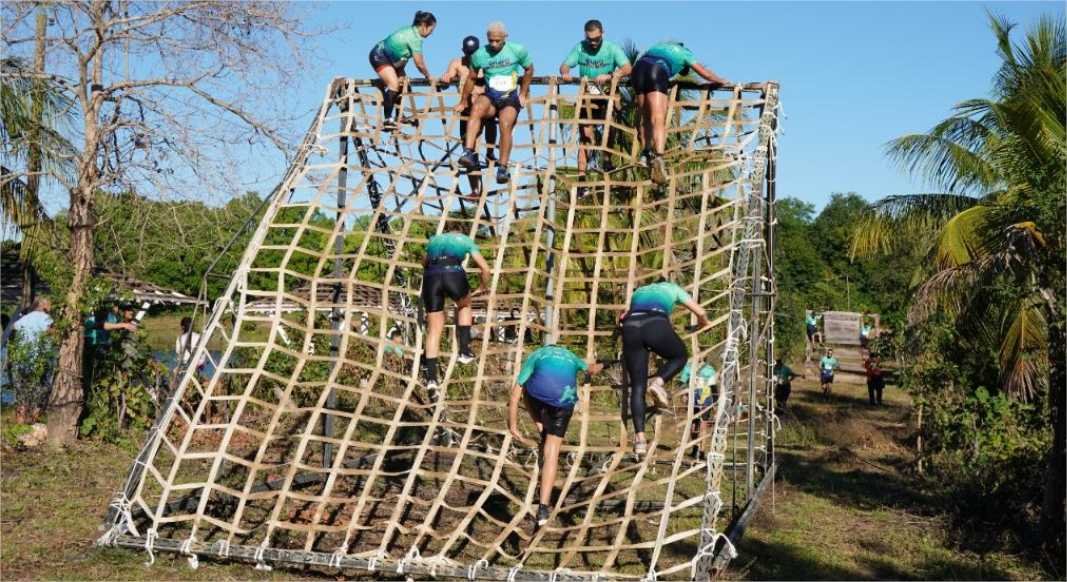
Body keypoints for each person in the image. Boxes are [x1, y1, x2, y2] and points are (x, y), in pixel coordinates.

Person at [508, 343, 603, 528]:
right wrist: (605, 364)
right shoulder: (572, 356)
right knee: (552, 454)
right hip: (564, 401)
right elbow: (592, 369)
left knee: (527, 388)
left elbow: (514, 394)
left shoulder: (537, 354)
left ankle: (540, 424)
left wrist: (512, 425)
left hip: (539, 397)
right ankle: (543, 508)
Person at [619, 279, 711, 457]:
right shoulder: (673, 288)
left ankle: (639, 440)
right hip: (655, 323)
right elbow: (701, 312)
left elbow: (624, 316)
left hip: (631, 328)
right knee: (680, 356)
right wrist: (704, 323)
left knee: (637, 387)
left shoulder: (639, 292)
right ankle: (658, 383)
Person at [630, 41, 730, 185]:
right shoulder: (685, 53)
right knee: (657, 118)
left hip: (638, 69)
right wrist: (721, 81)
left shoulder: (658, 46)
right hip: (657, 69)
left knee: (645, 116)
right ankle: (658, 156)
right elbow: (705, 73)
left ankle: (645, 154)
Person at [456, 21, 534, 184]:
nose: (494, 44)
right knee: (476, 109)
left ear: (505, 38)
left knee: (505, 124)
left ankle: (503, 168)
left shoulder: (517, 50)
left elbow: (529, 69)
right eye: (491, 40)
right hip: (491, 95)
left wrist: (523, 93)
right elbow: (471, 77)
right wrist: (463, 101)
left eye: (497, 41)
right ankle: (468, 152)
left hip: (510, 97)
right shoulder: (480, 54)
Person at [559, 19, 631, 186]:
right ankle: (582, 178)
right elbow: (564, 65)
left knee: (610, 126)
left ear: (602, 34)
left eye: (596, 39)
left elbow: (628, 67)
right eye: (590, 39)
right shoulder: (580, 47)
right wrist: (565, 72)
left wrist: (611, 75)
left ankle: (606, 159)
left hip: (607, 94)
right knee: (585, 136)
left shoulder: (611, 48)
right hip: (587, 96)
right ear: (585, 36)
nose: (593, 43)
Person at [421, 230, 492, 391]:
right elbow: (485, 269)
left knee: (433, 330)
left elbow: (424, 262)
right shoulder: (465, 240)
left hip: (431, 279)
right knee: (465, 306)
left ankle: (431, 378)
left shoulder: (434, 240)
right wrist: (482, 286)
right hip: (454, 274)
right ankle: (464, 351)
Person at [440, 35, 498, 194]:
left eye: (473, 53)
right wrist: (446, 78)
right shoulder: (458, 63)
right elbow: (448, 76)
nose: (471, 56)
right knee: (469, 152)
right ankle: (475, 190)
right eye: (468, 53)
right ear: (463, 51)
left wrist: (479, 91)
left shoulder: (485, 62)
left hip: (485, 108)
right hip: (466, 112)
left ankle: (491, 152)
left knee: (491, 122)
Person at [369, 11, 437, 131]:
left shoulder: (412, 31)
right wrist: (428, 76)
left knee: (402, 82)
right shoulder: (415, 38)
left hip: (392, 60)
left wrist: (400, 72)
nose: (431, 33)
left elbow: (403, 56)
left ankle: (399, 116)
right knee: (393, 84)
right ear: (424, 25)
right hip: (379, 56)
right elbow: (419, 64)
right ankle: (387, 120)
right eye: (431, 29)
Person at [679, 361, 717, 458]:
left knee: (703, 425)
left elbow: (713, 387)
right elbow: (683, 382)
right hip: (693, 399)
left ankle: (702, 451)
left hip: (705, 398)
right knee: (693, 424)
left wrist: (715, 402)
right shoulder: (688, 367)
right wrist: (683, 394)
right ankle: (695, 449)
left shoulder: (709, 369)